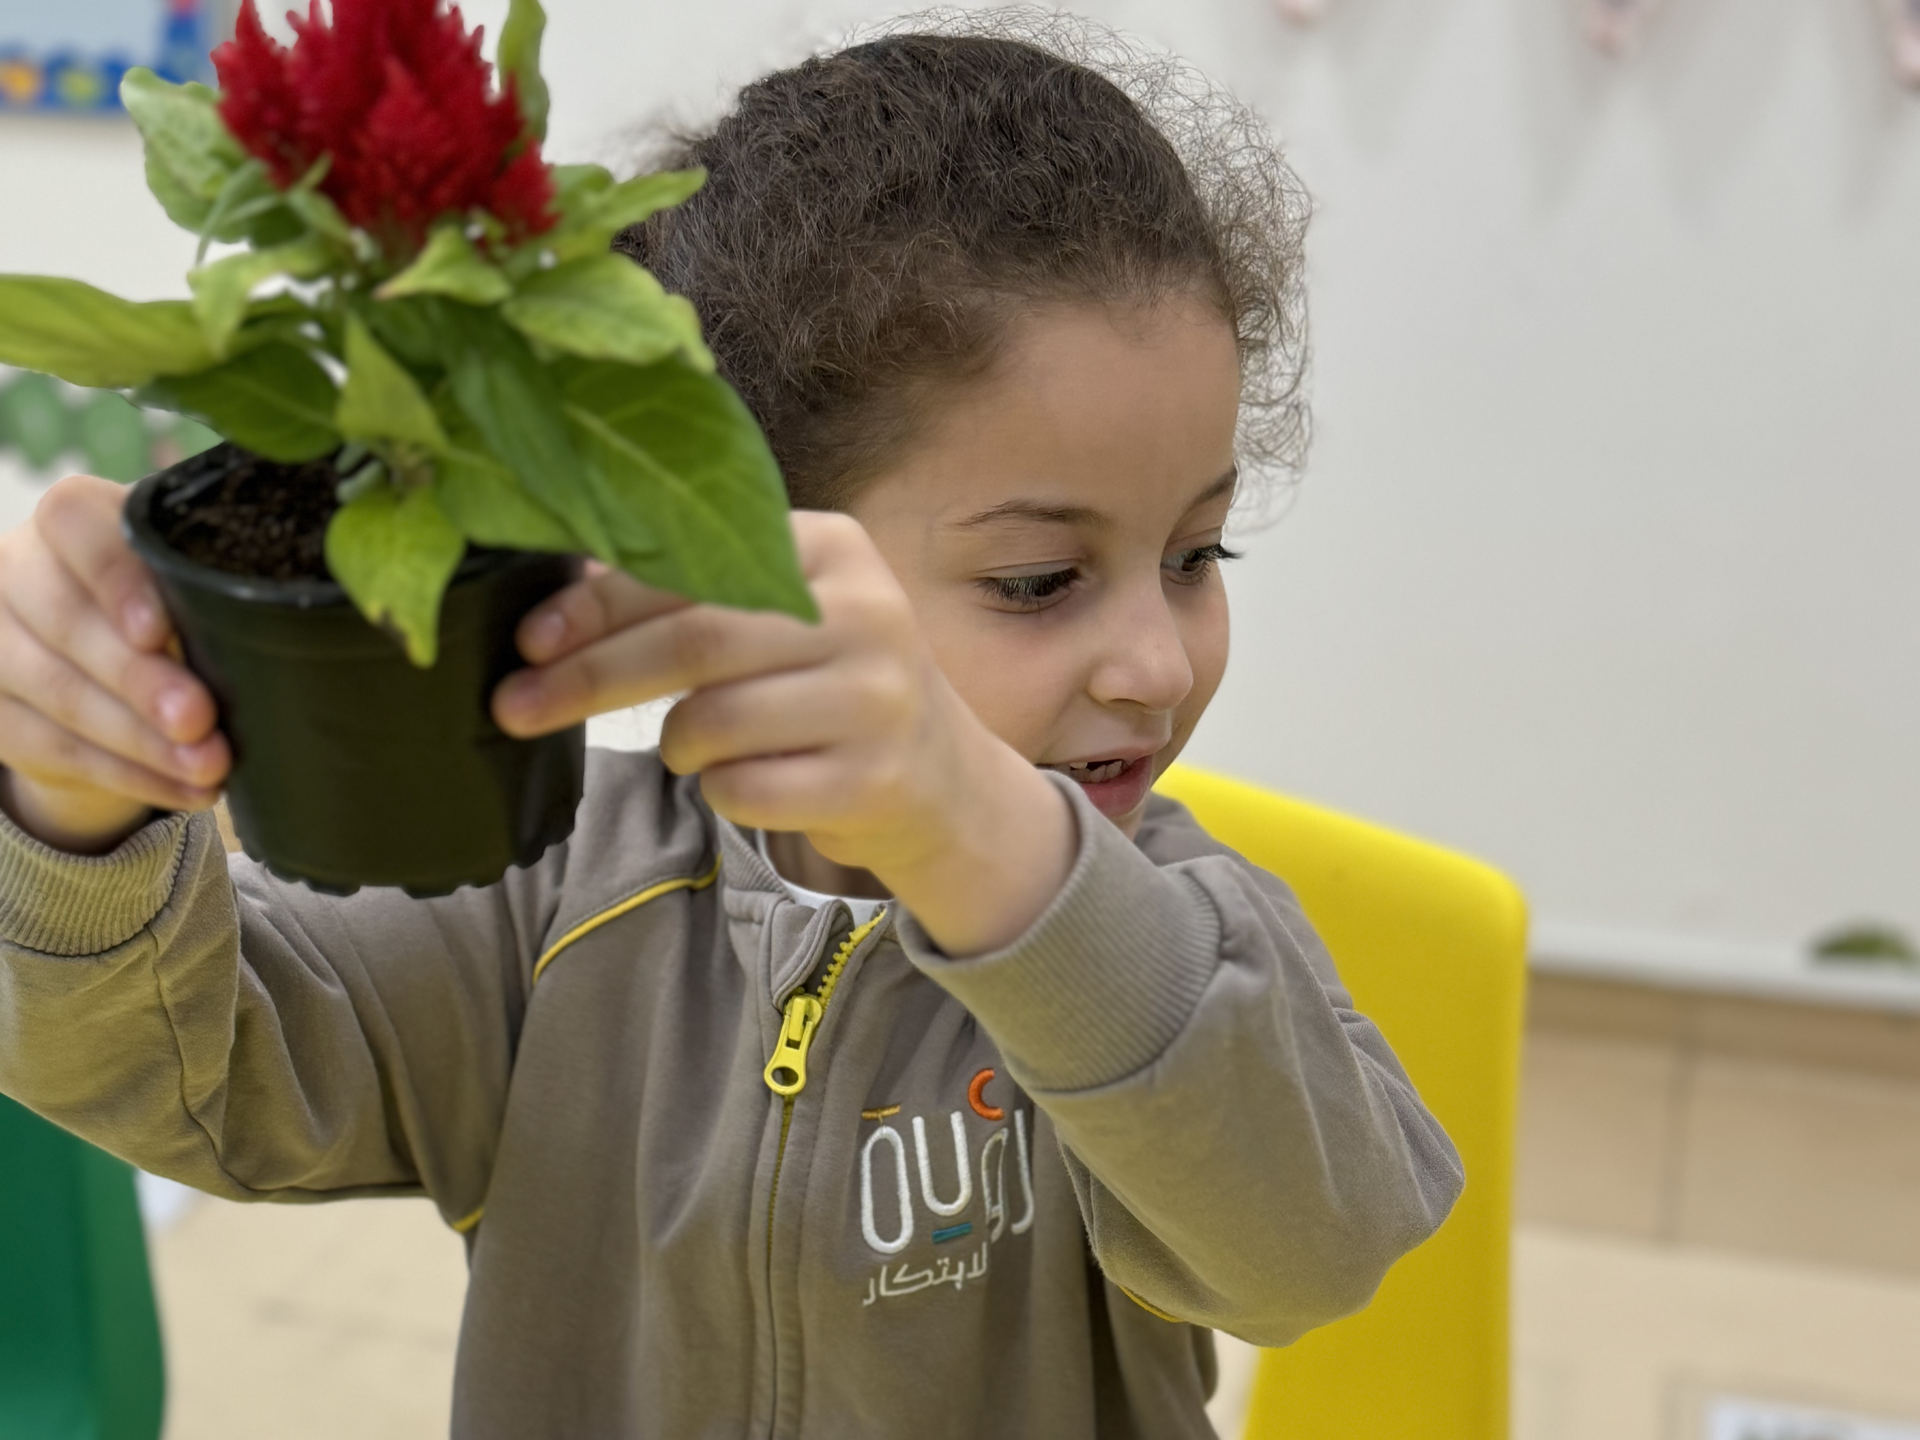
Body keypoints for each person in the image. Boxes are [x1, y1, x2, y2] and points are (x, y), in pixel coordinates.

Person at [0, 20, 1462, 1439]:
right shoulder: (549, 903)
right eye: (1039, 581)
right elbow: (188, 1078)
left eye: (1199, 556)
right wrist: (80, 803)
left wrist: (983, 840)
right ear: (722, 539)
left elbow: (1307, 1250)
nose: (1155, 658)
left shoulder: (1185, 948)